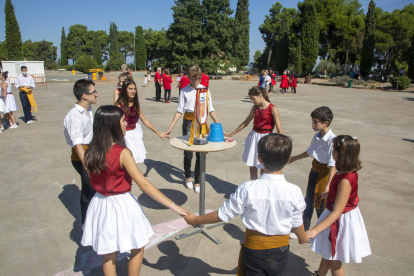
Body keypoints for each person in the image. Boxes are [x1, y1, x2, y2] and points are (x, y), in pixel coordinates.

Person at [81, 105, 187, 276]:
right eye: (123, 121)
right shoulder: (122, 152)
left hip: (100, 203)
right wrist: (175, 206)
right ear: (113, 125)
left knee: (108, 253)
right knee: (137, 245)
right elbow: (144, 185)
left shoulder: (90, 151)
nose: (126, 124)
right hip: (122, 203)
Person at [184, 134, 308, 275]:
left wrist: (195, 220)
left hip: (253, 249)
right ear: (287, 160)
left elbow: (222, 215)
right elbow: (297, 222)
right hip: (280, 252)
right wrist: (303, 237)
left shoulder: (248, 188)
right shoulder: (294, 191)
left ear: (259, 158)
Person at [307, 135, 371, 276]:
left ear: (337, 154)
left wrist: (315, 230)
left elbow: (337, 211)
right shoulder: (343, 172)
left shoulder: (345, 180)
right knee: (328, 253)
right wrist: (328, 195)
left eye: (334, 149)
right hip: (334, 215)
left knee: (334, 260)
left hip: (339, 220)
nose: (332, 151)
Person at [165, 65, 221, 193]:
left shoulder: (205, 90)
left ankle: (197, 180)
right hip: (189, 123)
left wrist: (218, 125)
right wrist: (171, 127)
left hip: (202, 123)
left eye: (197, 79)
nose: (195, 82)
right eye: (192, 79)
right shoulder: (184, 90)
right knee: (188, 153)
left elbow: (210, 108)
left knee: (201, 154)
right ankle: (188, 177)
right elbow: (180, 110)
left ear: (200, 78)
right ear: (189, 78)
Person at [289, 106, 336, 239]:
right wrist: (293, 158)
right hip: (314, 172)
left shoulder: (332, 140)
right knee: (308, 202)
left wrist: (329, 184)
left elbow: (333, 165)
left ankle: (323, 233)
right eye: (313, 121)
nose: (313, 125)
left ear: (325, 123)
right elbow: (310, 152)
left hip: (324, 176)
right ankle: (304, 229)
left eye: (315, 122)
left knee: (321, 205)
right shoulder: (316, 136)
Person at [225, 86, 283, 180]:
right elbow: (246, 122)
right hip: (254, 136)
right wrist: (231, 134)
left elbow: (280, 130)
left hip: (266, 138)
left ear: (260, 95)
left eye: (253, 99)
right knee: (252, 166)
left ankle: (262, 190)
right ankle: (253, 189)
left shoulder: (273, 108)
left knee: (264, 168)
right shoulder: (255, 108)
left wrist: (282, 147)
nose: (252, 101)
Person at [63, 79, 98, 224]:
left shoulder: (88, 109)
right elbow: (78, 146)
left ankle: (87, 223)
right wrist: (88, 167)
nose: (96, 94)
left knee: (87, 192)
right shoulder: (75, 117)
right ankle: (90, 223)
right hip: (83, 157)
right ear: (84, 95)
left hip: (91, 152)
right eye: (94, 92)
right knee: (96, 190)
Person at [115, 79, 166, 164]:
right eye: (130, 89)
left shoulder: (135, 104)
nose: (133, 91)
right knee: (125, 163)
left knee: (133, 162)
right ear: (124, 90)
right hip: (124, 136)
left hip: (135, 135)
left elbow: (145, 120)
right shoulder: (119, 105)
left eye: (134, 89)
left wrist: (158, 133)